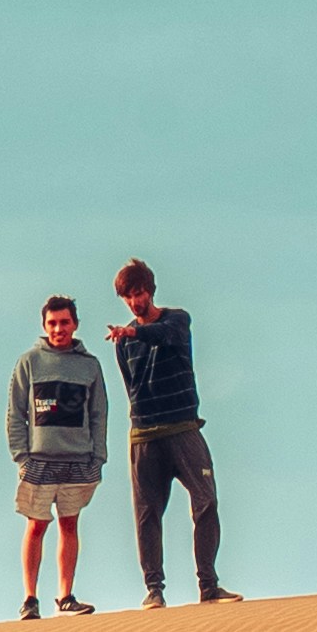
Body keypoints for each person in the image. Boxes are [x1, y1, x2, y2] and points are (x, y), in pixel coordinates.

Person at [111, 257, 229, 604]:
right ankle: (154, 590)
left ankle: (208, 586)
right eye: (128, 296)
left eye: (139, 292)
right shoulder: (123, 342)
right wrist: (129, 335)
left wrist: (133, 330)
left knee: (206, 501)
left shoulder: (177, 319)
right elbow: (130, 384)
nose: (135, 301)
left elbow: (166, 335)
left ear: (150, 290)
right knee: (147, 514)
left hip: (183, 428)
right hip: (145, 436)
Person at [5, 293, 109, 617]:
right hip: (39, 460)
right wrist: (21, 456)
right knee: (36, 525)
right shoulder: (29, 362)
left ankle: (65, 596)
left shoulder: (89, 365)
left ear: (75, 324)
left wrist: (98, 457)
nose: (58, 329)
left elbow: (99, 413)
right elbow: (15, 412)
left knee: (69, 525)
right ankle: (30, 599)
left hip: (78, 460)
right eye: (52, 323)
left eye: (64, 322)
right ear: (44, 325)